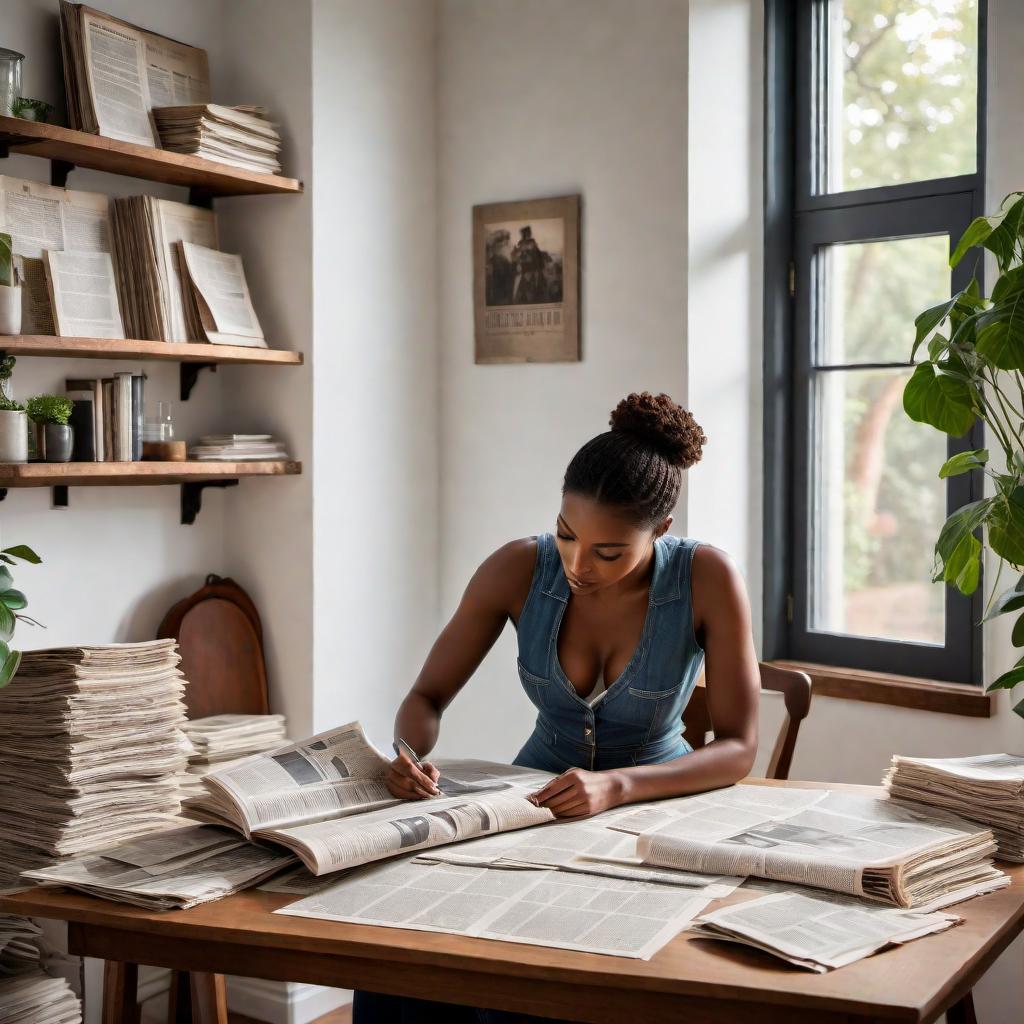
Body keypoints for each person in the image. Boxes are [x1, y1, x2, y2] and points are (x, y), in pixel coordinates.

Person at [353, 391, 761, 1024]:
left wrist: (617, 786)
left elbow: (738, 749)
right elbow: (425, 698)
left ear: (661, 532)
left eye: (608, 552)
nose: (578, 564)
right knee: (400, 959)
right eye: (567, 535)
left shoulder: (707, 577)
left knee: (535, 989)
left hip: (659, 801)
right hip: (534, 797)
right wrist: (411, 754)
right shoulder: (518, 568)